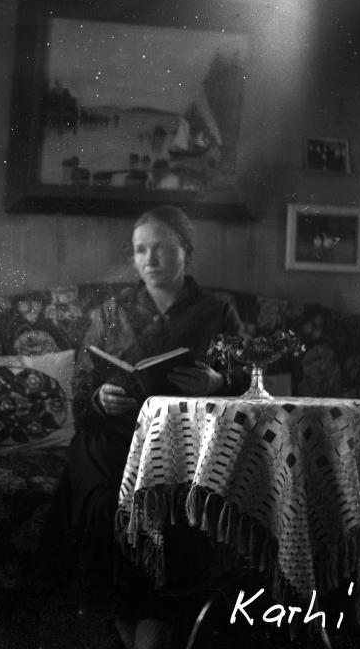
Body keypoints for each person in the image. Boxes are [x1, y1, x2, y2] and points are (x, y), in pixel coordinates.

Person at [56, 206, 243, 649]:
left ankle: (157, 619)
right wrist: (101, 399)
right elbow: (81, 390)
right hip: (114, 435)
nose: (149, 259)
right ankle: (122, 613)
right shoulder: (112, 310)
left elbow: (249, 381)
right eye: (141, 250)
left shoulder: (217, 311)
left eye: (161, 248)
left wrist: (217, 382)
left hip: (186, 439)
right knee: (108, 502)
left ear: (186, 253)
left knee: (173, 505)